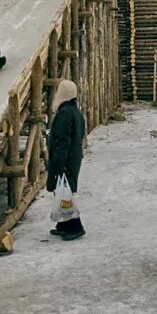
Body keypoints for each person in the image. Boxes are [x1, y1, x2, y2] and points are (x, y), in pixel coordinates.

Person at [46, 79, 87, 241]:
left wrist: (59, 164)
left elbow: (62, 142)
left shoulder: (64, 114)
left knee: (65, 192)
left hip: (65, 159)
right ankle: (64, 225)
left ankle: (75, 226)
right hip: (73, 157)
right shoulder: (75, 112)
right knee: (64, 191)